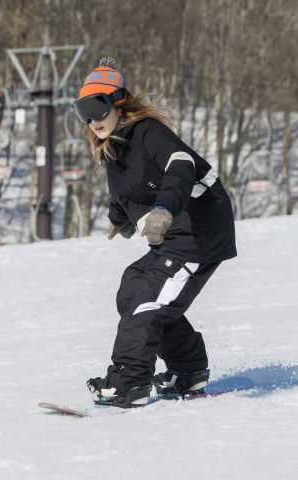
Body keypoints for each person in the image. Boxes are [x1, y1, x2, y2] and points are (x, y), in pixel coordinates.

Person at [74, 57, 237, 408]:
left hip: (199, 230)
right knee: (132, 291)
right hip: (175, 235)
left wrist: (163, 209)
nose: (92, 120)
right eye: (82, 112)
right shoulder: (113, 148)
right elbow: (127, 192)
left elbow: (181, 166)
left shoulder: (149, 132)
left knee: (149, 301)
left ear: (117, 102)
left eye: (96, 109)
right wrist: (119, 217)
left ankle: (129, 383)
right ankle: (187, 369)